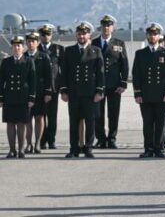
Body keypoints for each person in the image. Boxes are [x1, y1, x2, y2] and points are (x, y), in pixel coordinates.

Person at [131, 23, 165, 159]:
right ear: (147, 36)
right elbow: (136, 75)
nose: (152, 36)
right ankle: (148, 148)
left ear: (159, 36)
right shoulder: (140, 53)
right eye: (149, 34)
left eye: (154, 34)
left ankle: (159, 148)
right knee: (147, 123)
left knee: (160, 123)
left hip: (161, 96)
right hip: (146, 95)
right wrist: (138, 93)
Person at [60, 21, 105, 158]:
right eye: (79, 34)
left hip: (90, 93)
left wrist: (99, 91)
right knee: (73, 121)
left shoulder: (96, 51)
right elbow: (64, 73)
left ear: (89, 35)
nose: (81, 36)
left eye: (84, 34)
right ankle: (74, 148)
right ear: (76, 35)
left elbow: (100, 72)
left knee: (90, 122)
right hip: (74, 93)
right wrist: (64, 91)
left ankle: (88, 148)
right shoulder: (69, 51)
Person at [93, 14, 128, 149]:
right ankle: (101, 139)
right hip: (98, 85)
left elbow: (124, 64)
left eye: (109, 25)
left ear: (113, 27)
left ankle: (112, 138)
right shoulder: (94, 43)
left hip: (114, 85)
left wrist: (123, 83)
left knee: (113, 113)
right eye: (104, 25)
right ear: (101, 27)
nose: (106, 28)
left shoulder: (119, 43)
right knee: (98, 113)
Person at [1, 35, 36, 158]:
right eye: (14, 46)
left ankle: (21, 149)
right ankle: (12, 150)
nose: (16, 48)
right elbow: (1, 81)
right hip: (9, 97)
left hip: (23, 97)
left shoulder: (28, 61)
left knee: (21, 123)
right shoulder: (6, 62)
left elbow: (32, 81)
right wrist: (1, 98)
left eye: (19, 46)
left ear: (23, 47)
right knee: (10, 124)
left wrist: (32, 97)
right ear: (12, 48)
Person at [36, 25, 64, 150]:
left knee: (52, 116)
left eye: (47, 34)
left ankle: (51, 140)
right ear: (40, 36)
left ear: (51, 35)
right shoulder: (35, 49)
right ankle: (42, 141)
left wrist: (63, 88)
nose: (45, 36)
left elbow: (63, 69)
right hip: (39, 89)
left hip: (53, 88)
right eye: (43, 34)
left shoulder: (58, 49)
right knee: (40, 116)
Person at [24, 32, 51, 154]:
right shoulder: (23, 56)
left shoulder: (44, 57)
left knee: (39, 118)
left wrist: (48, 92)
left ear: (38, 43)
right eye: (28, 41)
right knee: (27, 120)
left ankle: (38, 143)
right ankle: (28, 144)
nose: (30, 44)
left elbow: (48, 77)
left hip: (40, 93)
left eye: (33, 41)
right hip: (25, 93)